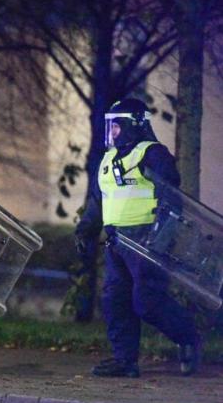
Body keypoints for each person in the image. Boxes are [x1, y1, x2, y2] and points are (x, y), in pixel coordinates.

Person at [75, 98, 201, 378]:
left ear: (134, 124)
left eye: (117, 126)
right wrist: (85, 229)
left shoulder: (152, 154)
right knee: (115, 300)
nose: (113, 132)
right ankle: (125, 361)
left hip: (147, 241)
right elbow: (99, 200)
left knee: (147, 301)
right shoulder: (108, 159)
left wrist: (161, 238)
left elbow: (172, 199)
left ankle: (189, 338)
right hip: (117, 242)